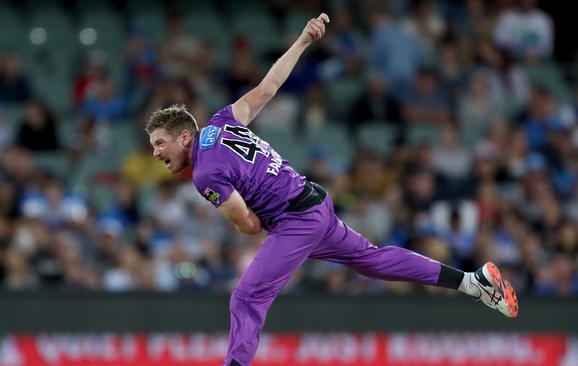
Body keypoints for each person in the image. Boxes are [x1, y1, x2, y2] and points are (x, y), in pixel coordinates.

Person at [144, 13, 519, 366]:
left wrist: (257, 221)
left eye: (161, 143)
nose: (157, 152)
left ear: (183, 135)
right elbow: (269, 86)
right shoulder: (223, 120)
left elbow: (248, 225)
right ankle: (472, 282)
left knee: (246, 298)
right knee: (373, 260)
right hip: (315, 202)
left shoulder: (204, 174)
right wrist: (303, 40)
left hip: (296, 219)